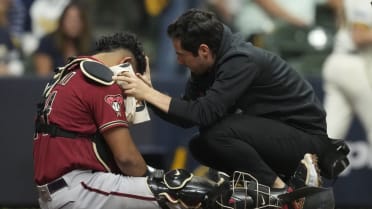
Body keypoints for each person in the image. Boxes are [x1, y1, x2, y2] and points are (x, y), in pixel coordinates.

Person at [114, 8, 349, 207]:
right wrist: (149, 93)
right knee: (201, 144)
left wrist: (150, 94)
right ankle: (256, 187)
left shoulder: (240, 59)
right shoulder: (207, 65)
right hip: (276, 135)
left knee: (218, 131)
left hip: (306, 141)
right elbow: (187, 117)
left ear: (203, 50)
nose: (179, 61)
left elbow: (204, 114)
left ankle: (281, 193)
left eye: (182, 55)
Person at [33, 31, 233, 209]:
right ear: (125, 64)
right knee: (179, 192)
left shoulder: (69, 72)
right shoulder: (101, 80)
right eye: (134, 77)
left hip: (61, 190)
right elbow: (126, 158)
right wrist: (156, 183)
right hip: (80, 188)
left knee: (163, 182)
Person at [322, 0, 372, 147]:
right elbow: (359, 36)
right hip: (355, 65)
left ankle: (315, 168)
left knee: (330, 134)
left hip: (340, 62)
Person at [32, 0, 94, 77]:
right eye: (70, 19)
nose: (73, 24)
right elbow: (43, 77)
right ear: (62, 21)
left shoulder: (92, 45)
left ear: (84, 23)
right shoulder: (47, 42)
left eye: (78, 20)